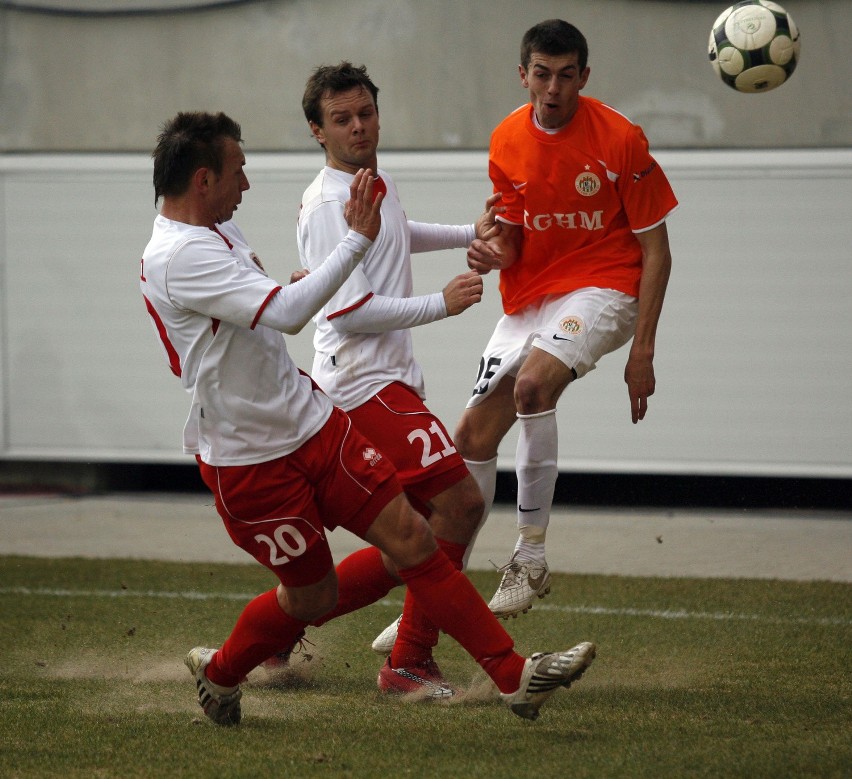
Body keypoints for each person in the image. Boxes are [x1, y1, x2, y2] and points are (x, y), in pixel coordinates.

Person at [140, 110, 595, 726]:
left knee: (414, 536)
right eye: (238, 172)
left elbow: (265, 310)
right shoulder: (177, 254)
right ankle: (223, 672)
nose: (245, 185)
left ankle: (511, 675)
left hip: (312, 421)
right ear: (202, 180)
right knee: (313, 595)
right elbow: (291, 314)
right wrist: (354, 243)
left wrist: (306, 282)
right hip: (251, 459)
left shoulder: (215, 230)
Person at [456, 19, 678, 618]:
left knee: (532, 385)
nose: (553, 88)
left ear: (584, 76)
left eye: (566, 75)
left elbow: (657, 250)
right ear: (523, 74)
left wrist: (642, 354)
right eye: (541, 74)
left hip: (605, 286)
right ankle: (440, 594)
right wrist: (489, 249)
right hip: (534, 295)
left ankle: (529, 557)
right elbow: (512, 239)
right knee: (470, 438)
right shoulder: (506, 140)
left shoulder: (620, 138)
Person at [295, 62, 503, 698]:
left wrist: (472, 233)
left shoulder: (368, 183)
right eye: (341, 119)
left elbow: (397, 235)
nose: (358, 126)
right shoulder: (331, 201)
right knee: (461, 504)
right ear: (317, 130)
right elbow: (349, 312)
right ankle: (411, 659)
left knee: (402, 546)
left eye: (365, 113)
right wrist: (443, 302)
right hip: (363, 385)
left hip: (382, 382)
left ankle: (276, 635)